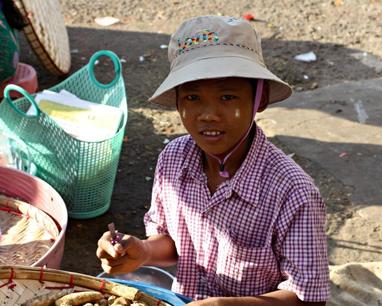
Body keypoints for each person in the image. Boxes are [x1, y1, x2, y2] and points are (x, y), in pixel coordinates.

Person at [97, 15, 330, 305]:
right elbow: (172, 242)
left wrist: (224, 305)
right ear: (178, 100)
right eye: (193, 97)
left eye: (228, 96)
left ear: (260, 99)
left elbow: (309, 299)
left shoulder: (293, 193)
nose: (208, 114)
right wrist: (143, 251)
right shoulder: (173, 160)